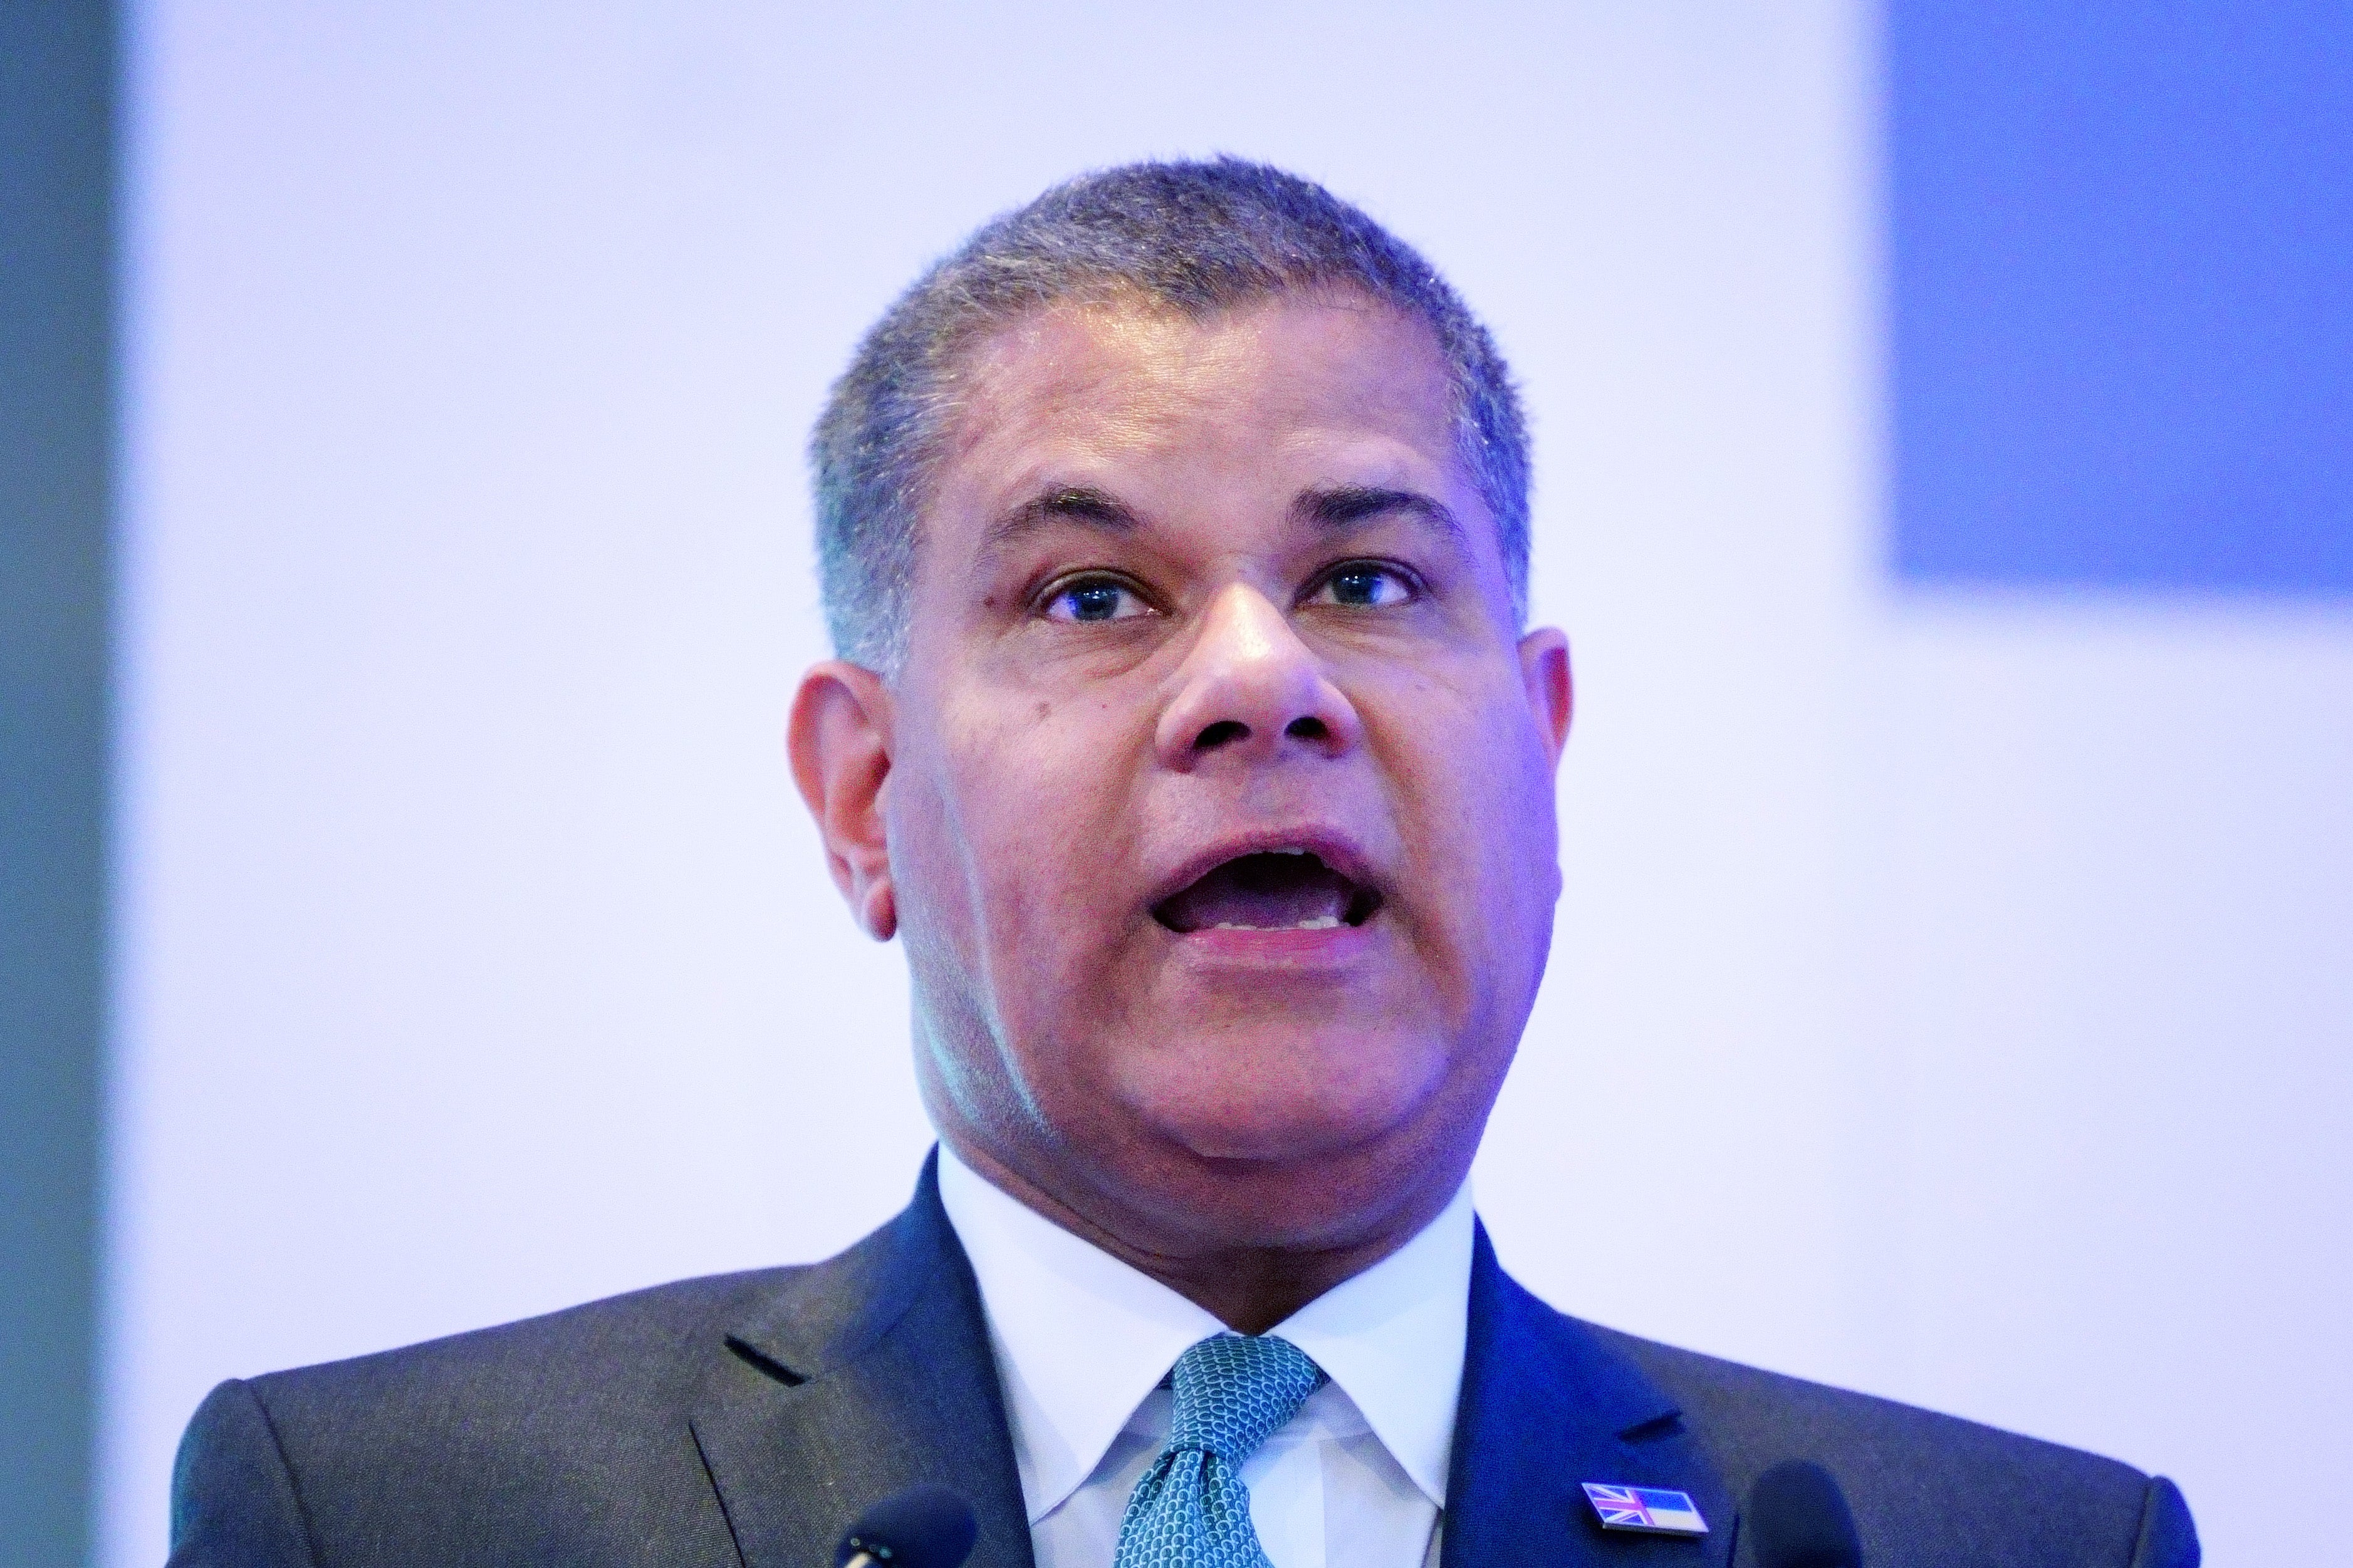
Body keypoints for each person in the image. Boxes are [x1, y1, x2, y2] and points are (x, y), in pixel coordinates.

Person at [166, 158, 2198, 1568]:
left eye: (1366, 577)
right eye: (1091, 596)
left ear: (1542, 752)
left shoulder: (2002, 1551)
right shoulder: (389, 1520)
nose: (1262, 680)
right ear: (863, 796)